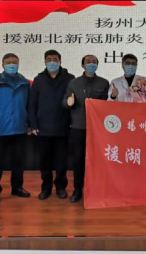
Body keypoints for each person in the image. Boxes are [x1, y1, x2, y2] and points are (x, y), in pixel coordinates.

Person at [0, 53, 31, 205]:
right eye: (8, 62)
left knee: (18, 162)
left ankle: (17, 187)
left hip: (20, 128)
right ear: (3, 65)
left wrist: (29, 124)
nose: (12, 65)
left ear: (19, 64)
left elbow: (29, 105)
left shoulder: (25, 83)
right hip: (0, 130)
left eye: (14, 62)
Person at [29, 50, 74, 201]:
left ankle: (61, 187)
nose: (52, 62)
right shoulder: (39, 79)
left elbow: (73, 103)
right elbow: (32, 104)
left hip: (63, 127)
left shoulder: (70, 79)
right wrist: (33, 125)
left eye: (55, 59)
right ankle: (46, 188)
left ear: (60, 61)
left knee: (61, 162)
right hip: (43, 128)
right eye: (49, 59)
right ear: (45, 62)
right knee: (45, 162)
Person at [64, 55, 110, 203]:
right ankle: (78, 189)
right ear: (83, 65)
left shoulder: (104, 83)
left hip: (97, 129)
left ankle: (95, 189)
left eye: (94, 62)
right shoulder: (74, 83)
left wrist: (113, 98)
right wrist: (68, 103)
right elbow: (64, 102)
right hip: (78, 127)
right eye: (88, 62)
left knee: (97, 160)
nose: (91, 64)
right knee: (78, 160)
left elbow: (106, 105)